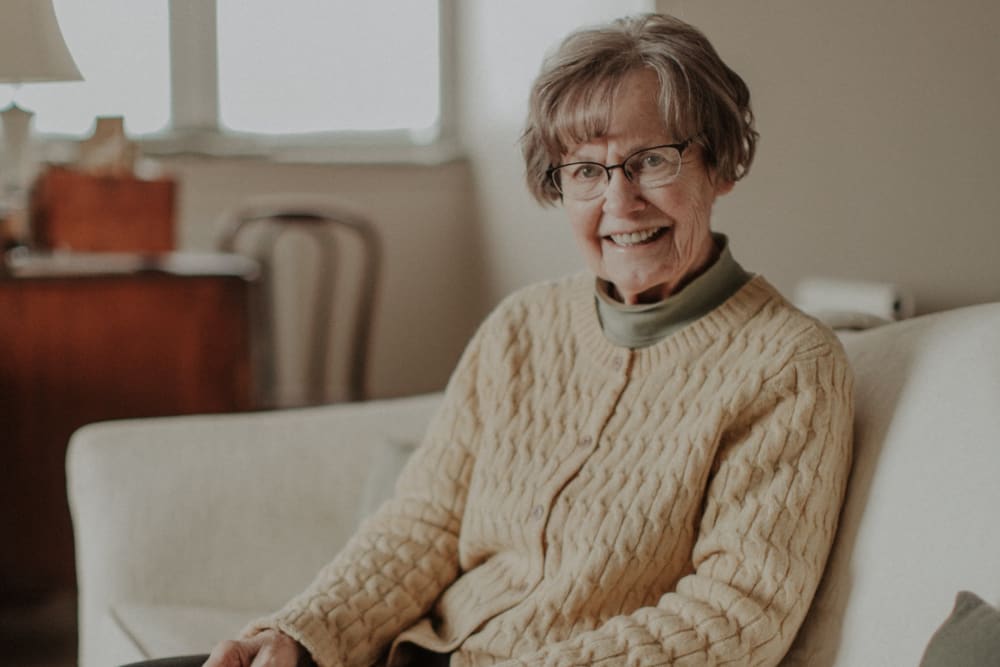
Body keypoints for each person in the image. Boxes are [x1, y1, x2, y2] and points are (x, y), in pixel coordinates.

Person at [143, 12, 854, 667]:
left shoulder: (789, 364)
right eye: (586, 170)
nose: (619, 201)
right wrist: (303, 630)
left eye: (653, 161)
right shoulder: (521, 328)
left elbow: (734, 613)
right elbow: (424, 521)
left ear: (720, 165)